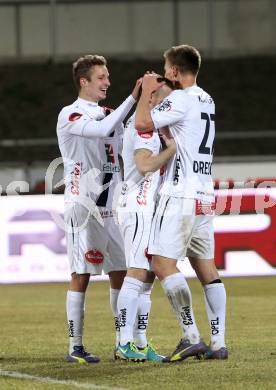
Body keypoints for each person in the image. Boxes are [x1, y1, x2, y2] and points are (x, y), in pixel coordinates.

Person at [135, 45, 228, 361]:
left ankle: (190, 336)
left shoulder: (180, 98)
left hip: (180, 193)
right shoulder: (207, 98)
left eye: (166, 68)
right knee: (207, 268)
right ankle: (218, 343)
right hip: (204, 193)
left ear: (174, 71)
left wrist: (147, 91)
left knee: (161, 264)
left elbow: (143, 124)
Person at [56, 54, 141, 363]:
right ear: (84, 81)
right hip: (83, 205)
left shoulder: (108, 113)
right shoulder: (71, 114)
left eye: (107, 76)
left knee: (120, 271)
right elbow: (101, 128)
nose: (108, 82)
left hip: (109, 208)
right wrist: (133, 97)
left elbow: (129, 132)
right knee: (82, 273)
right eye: (102, 77)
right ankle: (75, 346)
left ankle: (123, 342)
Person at [115, 83, 176, 362]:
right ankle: (123, 343)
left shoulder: (150, 125)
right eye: (165, 96)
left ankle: (139, 343)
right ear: (151, 98)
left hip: (146, 207)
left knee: (148, 278)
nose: (170, 102)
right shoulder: (142, 127)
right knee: (137, 272)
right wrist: (171, 149)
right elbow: (144, 166)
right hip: (136, 206)